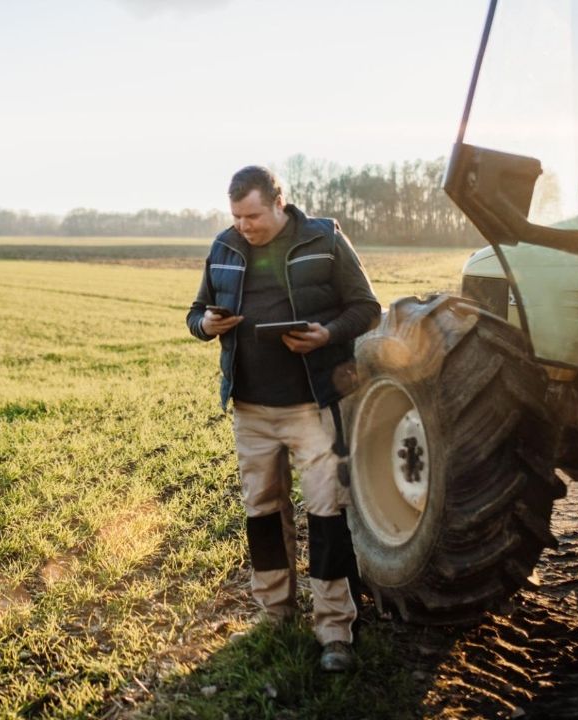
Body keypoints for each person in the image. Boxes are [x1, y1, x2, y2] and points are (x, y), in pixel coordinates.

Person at [186, 165, 382, 672]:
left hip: (312, 407)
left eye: (252, 215)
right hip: (250, 410)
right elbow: (195, 314)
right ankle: (273, 612)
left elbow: (367, 308)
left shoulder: (325, 238)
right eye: (237, 217)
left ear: (279, 202)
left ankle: (335, 629)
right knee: (263, 515)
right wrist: (206, 324)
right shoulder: (224, 247)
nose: (244, 226)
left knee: (326, 515)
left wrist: (327, 334)